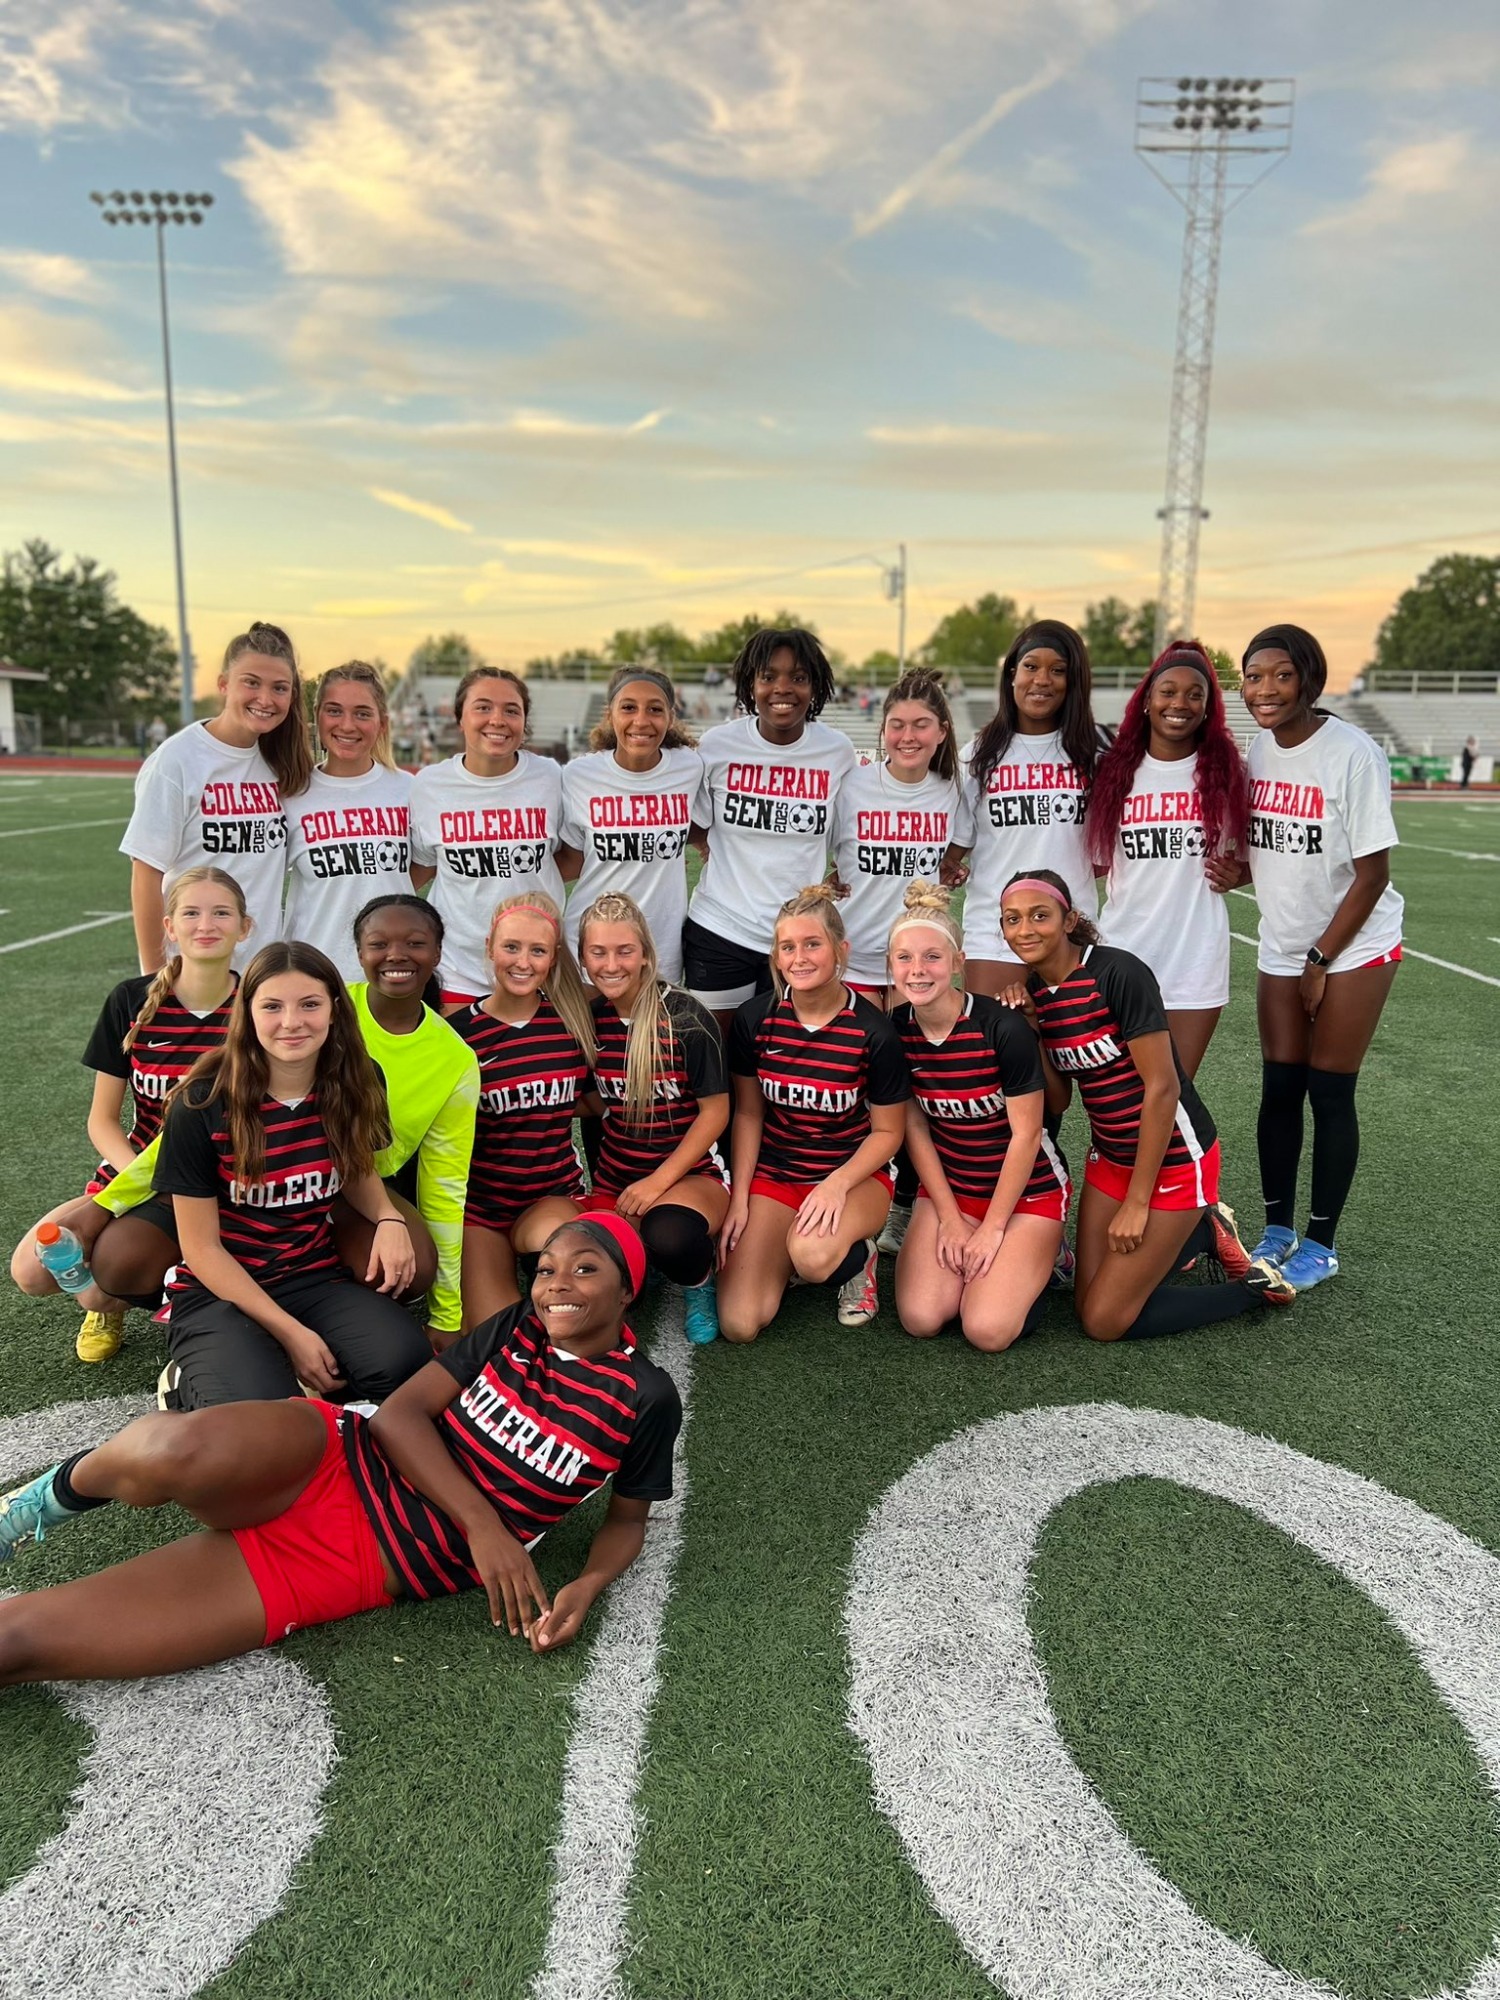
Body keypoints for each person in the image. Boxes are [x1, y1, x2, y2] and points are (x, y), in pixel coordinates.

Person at [0, 1217, 681, 1674]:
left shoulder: (645, 1397)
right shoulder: (516, 1327)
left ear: (627, 1289)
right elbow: (398, 1416)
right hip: (338, 1452)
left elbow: (627, 1521)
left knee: (20, 1644)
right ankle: (38, 1506)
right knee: (166, 1450)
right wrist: (486, 1528)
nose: (556, 1284)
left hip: (366, 1557)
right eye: (546, 1268)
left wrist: (587, 1586)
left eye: (584, 1270)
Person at [93, 897, 474, 1346]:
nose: (396, 955)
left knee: (411, 1268)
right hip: (230, 1188)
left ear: (438, 950)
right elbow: (192, 1126)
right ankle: (205, 1311)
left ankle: (333, 1305)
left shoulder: (452, 1058)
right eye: (379, 943)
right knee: (121, 1258)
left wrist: (446, 1311)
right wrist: (101, 1206)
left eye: (415, 943)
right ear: (358, 951)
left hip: (335, 1188)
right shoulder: (298, 1007)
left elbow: (439, 1183)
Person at [998, 871, 1293, 1341]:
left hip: (1175, 1159)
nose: (1025, 930)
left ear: (1070, 919)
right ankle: (1201, 1232)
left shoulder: (1118, 972)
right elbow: (1059, 1099)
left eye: (1040, 916)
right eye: (1012, 920)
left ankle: (1253, 1290)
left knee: (1104, 1321)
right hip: (1112, 1156)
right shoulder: (1037, 996)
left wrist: (1137, 1203)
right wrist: (1030, 1031)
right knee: (1086, 1298)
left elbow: (1163, 1088)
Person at [147, 940, 432, 1409]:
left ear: (335, 1009)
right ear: (248, 1011)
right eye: (273, 1006)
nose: (292, 1022)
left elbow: (355, 1166)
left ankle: (270, 1359)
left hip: (311, 1274)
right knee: (261, 1416)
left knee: (402, 1366)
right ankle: (188, 1380)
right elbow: (200, 1249)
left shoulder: (358, 1078)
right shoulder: (201, 1101)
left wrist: (388, 1218)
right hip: (221, 1288)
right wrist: (292, 1333)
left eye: (310, 1004)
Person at [1211, 624, 1404, 1293]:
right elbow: (1275, 848)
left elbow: (1372, 875)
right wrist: (1226, 875)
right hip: (1284, 943)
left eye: (1281, 676)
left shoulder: (1351, 753)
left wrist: (1321, 958)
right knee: (1279, 1089)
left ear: (1309, 680)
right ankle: (1277, 1229)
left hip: (1353, 945)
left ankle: (1321, 1243)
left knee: (1329, 1091)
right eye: (1253, 676)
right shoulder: (1259, 751)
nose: (1264, 690)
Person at [9, 867, 250, 1363]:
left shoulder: (259, 1006)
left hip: (222, 1179)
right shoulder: (132, 1000)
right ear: (169, 927)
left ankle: (185, 1291)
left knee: (128, 1264)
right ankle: (110, 1304)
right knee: (32, 1272)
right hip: (136, 1170)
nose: (206, 924)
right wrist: (140, 1175)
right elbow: (101, 1120)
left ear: (244, 927)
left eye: (221, 912)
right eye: (191, 912)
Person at [718, 885, 910, 1340]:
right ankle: (787, 1247)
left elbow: (888, 1132)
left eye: (812, 944)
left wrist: (835, 1185)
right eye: (788, 947)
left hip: (853, 1178)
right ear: (776, 955)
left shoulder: (872, 1031)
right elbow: (748, 1115)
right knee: (740, 1323)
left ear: (840, 950)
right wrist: (740, 1198)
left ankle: (858, 1259)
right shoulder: (755, 1020)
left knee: (814, 1256)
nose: (799, 957)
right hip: (779, 1175)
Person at [888, 882, 1069, 1351]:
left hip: (1027, 1191)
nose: (918, 970)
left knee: (986, 1330)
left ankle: (1046, 1259)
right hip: (952, 1188)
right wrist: (949, 1218)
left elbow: (1028, 1135)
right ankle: (996, 1261)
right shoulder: (896, 1032)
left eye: (932, 957)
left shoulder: (1000, 1028)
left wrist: (992, 1229)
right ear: (890, 967)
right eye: (904, 958)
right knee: (921, 1317)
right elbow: (914, 1128)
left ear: (957, 962)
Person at [1089, 642, 1250, 1077]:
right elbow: (1098, 863)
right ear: (1147, 701)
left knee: (1174, 1092)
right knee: (1119, 1091)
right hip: (1123, 951)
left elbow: (1269, 853)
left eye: (1195, 694)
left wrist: (1242, 873)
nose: (1180, 703)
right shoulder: (1116, 773)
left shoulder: (1228, 773)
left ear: (1208, 707)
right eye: (1168, 691)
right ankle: (1109, 1151)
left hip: (1194, 958)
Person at [683, 628, 855, 1026]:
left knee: (787, 1057)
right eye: (768, 676)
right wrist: (706, 843)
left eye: (798, 677)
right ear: (750, 684)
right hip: (720, 929)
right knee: (718, 1058)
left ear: (815, 686)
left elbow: (854, 821)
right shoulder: (718, 745)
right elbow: (687, 809)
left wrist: (840, 870)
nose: (782, 689)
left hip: (800, 938)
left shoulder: (836, 751)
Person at [579, 892, 729, 1345]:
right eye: (598, 952)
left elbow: (715, 1113)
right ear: (583, 957)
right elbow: (590, 1099)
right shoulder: (590, 1020)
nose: (612, 964)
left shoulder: (685, 1019)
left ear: (645, 953)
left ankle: (699, 1281)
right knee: (592, 1268)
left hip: (691, 1176)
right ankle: (643, 1255)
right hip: (616, 1179)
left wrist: (657, 1182)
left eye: (624, 951)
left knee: (672, 1239)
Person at [121, 621, 310, 974]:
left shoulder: (281, 763)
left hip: (261, 973)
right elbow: (146, 874)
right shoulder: (177, 760)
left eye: (279, 688)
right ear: (224, 684)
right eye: (251, 682)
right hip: (193, 972)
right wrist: (152, 978)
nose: (265, 699)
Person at [453, 894, 595, 1326]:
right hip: (481, 1210)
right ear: (489, 948)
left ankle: (542, 1260)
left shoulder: (571, 1023)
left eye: (538, 951)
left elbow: (592, 1103)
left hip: (552, 1197)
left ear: (553, 958)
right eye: (511, 947)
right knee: (494, 1333)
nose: (523, 962)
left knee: (573, 1317)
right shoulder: (458, 1034)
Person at [943, 621, 1101, 996]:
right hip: (996, 932)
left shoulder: (1094, 756)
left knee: (1073, 1054)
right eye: (1031, 666)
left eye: (1057, 670)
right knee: (996, 1049)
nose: (1042, 680)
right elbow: (949, 852)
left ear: (1073, 681)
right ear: (1012, 673)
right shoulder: (977, 757)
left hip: (1070, 931)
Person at [409, 668, 566, 1008]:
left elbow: (571, 855)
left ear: (524, 722)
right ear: (459, 719)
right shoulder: (429, 785)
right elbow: (422, 866)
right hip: (459, 968)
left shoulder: (550, 777)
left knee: (535, 1061)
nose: (497, 719)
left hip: (537, 966)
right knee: (464, 1061)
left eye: (511, 710)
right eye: (483, 707)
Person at [557, 668, 703, 984]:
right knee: (586, 1034)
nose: (641, 720)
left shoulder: (689, 767)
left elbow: (704, 826)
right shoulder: (578, 775)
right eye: (628, 708)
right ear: (610, 714)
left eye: (654, 709)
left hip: (659, 943)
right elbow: (571, 856)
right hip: (591, 940)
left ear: (670, 716)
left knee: (653, 1034)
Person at [828, 668, 961, 1003]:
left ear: (942, 731)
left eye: (921, 724)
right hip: (852, 956)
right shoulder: (850, 785)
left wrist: (953, 867)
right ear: (883, 729)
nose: (908, 736)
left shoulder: (954, 791)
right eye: (897, 725)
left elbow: (957, 852)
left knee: (913, 1054)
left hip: (918, 960)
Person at [282, 663, 413, 984]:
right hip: (313, 973)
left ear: (382, 723)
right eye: (334, 711)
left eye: (363, 713)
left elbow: (420, 866)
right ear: (318, 717)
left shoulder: (410, 790)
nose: (348, 725)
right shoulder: (291, 794)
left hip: (391, 976)